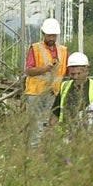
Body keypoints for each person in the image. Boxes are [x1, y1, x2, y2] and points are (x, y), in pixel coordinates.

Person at [23, 17, 67, 146]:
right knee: (36, 124)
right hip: (35, 93)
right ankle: (34, 151)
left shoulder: (63, 51)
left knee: (49, 123)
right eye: (49, 35)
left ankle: (44, 150)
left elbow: (67, 71)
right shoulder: (35, 48)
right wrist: (45, 69)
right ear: (43, 34)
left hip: (53, 92)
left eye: (54, 36)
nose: (51, 38)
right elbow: (29, 71)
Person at [51, 51, 93, 128]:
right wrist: (50, 130)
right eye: (72, 74)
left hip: (88, 133)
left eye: (78, 73)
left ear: (87, 71)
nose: (75, 77)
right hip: (65, 133)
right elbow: (56, 112)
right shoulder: (64, 86)